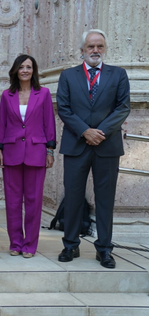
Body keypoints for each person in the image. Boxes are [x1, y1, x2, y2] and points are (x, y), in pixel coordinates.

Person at [56, 29, 130, 269]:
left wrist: (100, 132)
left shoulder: (118, 75)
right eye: (91, 46)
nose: (95, 50)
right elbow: (64, 108)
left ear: (104, 49)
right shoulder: (68, 76)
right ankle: (70, 245)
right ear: (82, 50)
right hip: (77, 144)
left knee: (105, 200)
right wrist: (85, 131)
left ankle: (105, 250)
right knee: (74, 197)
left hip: (107, 146)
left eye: (100, 46)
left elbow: (122, 107)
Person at [0, 54, 56, 258]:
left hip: (36, 152)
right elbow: (2, 123)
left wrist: (49, 150)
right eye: (21, 67)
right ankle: (15, 243)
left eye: (29, 67)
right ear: (15, 70)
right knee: (12, 201)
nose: (25, 71)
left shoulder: (44, 94)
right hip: (11, 152)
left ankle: (29, 245)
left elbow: (49, 122)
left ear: (34, 71)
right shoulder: (6, 95)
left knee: (33, 201)